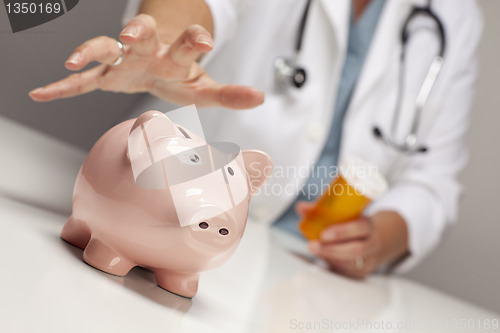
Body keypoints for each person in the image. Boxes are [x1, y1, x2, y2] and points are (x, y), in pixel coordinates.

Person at [29, 0, 483, 279]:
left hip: (311, 274)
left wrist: (386, 234)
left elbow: (434, 176)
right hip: (163, 221)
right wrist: (164, 42)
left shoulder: (455, 14)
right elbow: (199, 5)